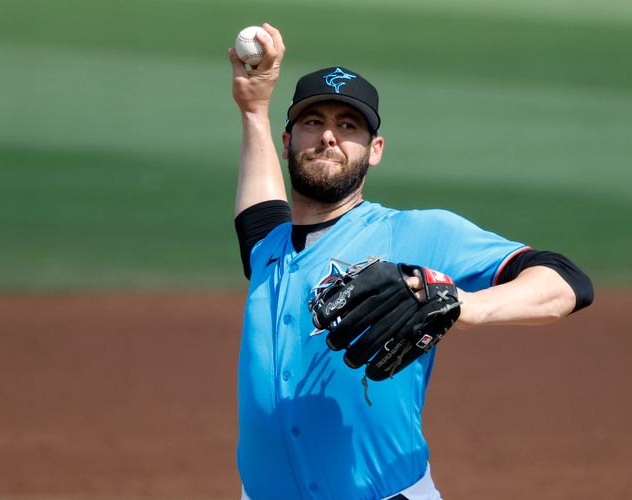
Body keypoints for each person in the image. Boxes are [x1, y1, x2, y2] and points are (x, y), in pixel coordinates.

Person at [228, 24, 593, 500]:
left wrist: (462, 304)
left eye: (349, 125)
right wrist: (254, 108)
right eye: (313, 122)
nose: (328, 137)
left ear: (374, 150)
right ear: (287, 142)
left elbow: (567, 282)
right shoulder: (268, 250)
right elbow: (258, 212)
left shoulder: (418, 233)